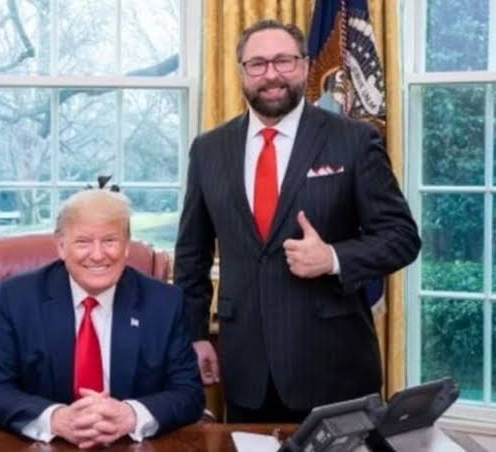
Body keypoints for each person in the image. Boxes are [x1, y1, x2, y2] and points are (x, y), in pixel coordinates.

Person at [173, 19, 421, 423]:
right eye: (257, 64)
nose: (271, 74)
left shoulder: (354, 140)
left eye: (283, 61)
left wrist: (333, 258)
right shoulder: (208, 150)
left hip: (335, 368)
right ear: (242, 71)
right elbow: (191, 256)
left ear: (305, 65)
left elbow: (402, 237)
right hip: (247, 371)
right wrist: (195, 335)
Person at [0, 189, 204, 448]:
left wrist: (131, 415)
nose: (97, 255)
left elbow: (189, 393)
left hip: (129, 445)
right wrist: (55, 419)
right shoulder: (18, 298)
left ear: (127, 246)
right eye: (83, 242)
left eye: (110, 241)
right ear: (61, 246)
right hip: (49, 445)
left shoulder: (164, 302)